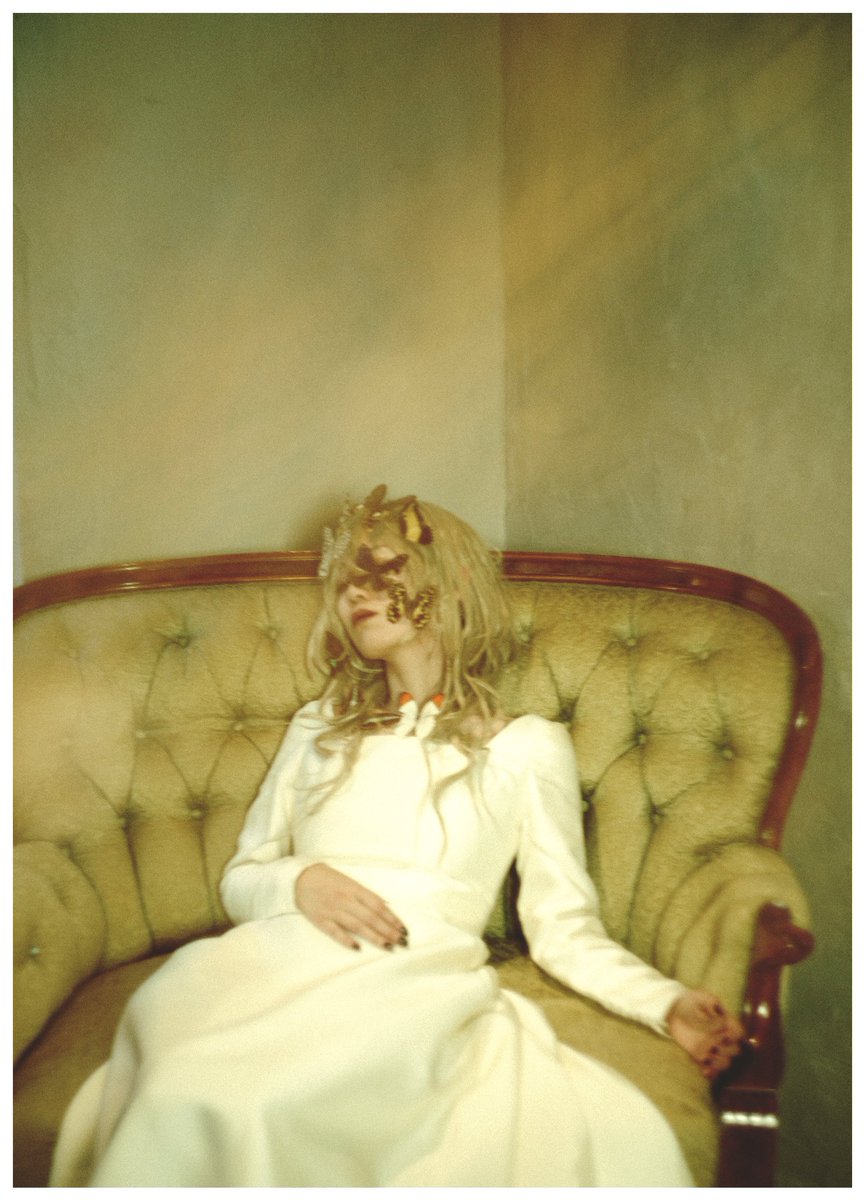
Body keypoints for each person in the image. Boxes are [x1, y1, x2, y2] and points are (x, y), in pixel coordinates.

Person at [50, 486, 743, 1187]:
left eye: (382, 572)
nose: (355, 593)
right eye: (345, 579)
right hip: (267, 965)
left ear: (451, 584)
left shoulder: (525, 746)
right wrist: (300, 881)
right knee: (181, 1090)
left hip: (405, 982)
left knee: (259, 1105)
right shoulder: (319, 728)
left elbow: (562, 925)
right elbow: (242, 878)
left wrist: (664, 1004)